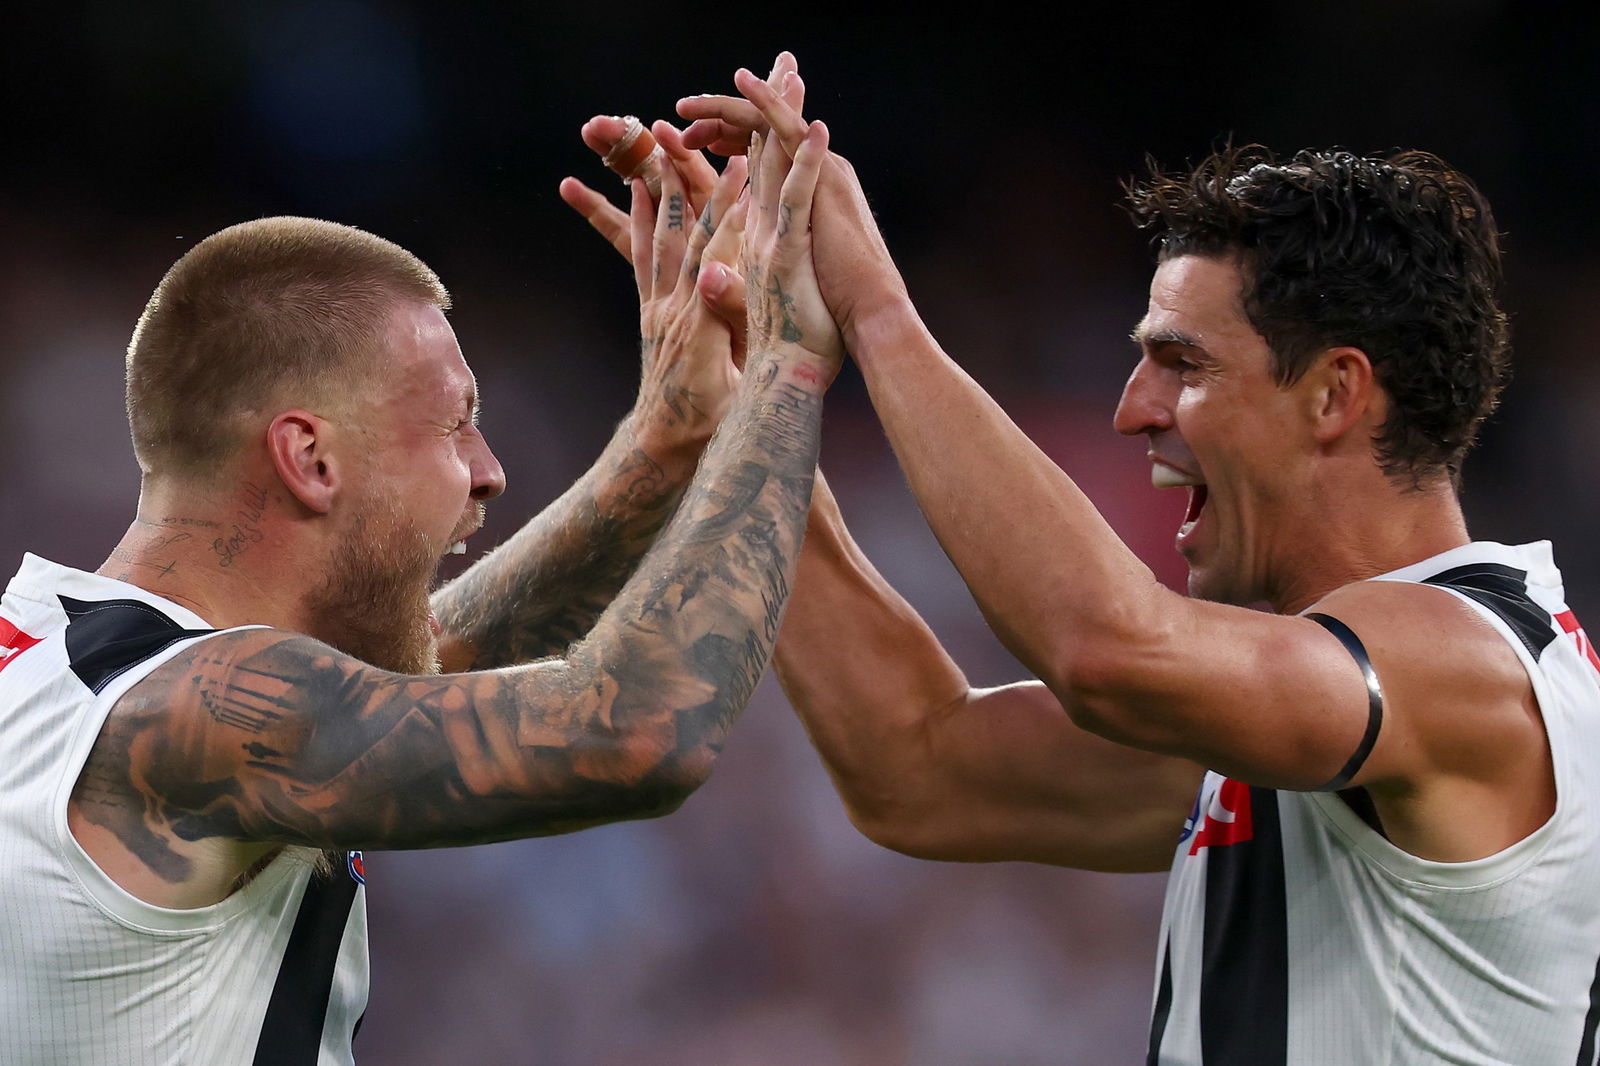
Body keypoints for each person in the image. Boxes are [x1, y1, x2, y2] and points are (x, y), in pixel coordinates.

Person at [675, 58, 1600, 1064]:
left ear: (1335, 395)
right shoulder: (1296, 713)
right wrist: (744, 410)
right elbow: (918, 764)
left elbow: (1105, 648)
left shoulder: (1473, 662)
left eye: (1184, 364)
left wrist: (878, 313)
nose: (1133, 410)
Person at [0, 107, 840, 1063]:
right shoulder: (193, 720)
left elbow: (414, 666)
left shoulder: (58, 664)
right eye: (453, 425)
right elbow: (637, 732)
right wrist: (788, 363)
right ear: (309, 456)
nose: (488, 471)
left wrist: (669, 441)